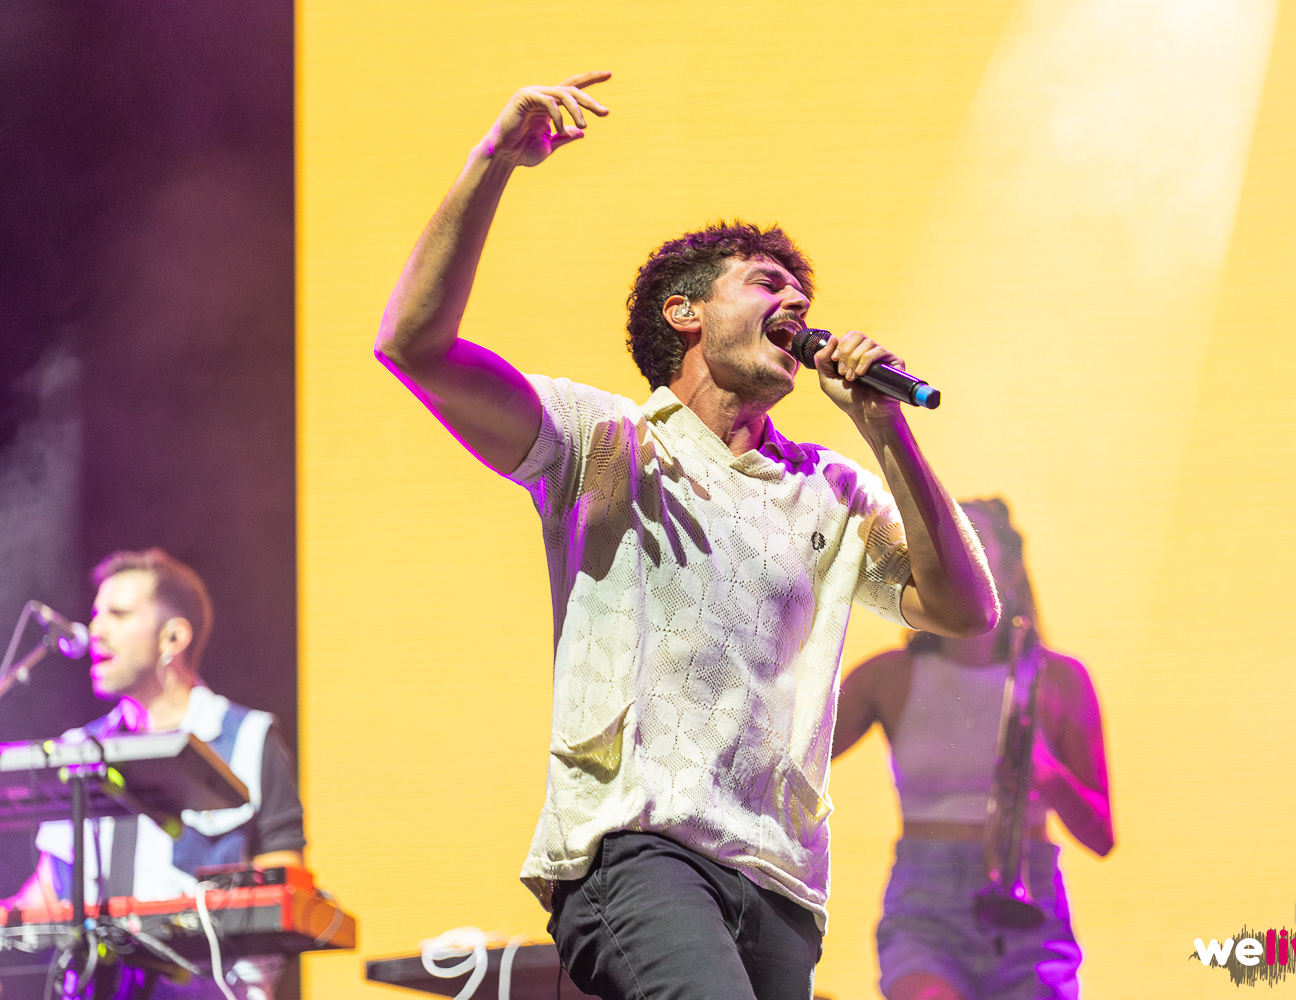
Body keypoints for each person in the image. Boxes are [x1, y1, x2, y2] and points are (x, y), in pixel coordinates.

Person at [374, 71, 998, 1000]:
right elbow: (414, 347)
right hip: (638, 850)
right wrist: (492, 161)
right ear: (686, 312)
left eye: (803, 294)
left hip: (779, 881)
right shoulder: (603, 440)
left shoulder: (829, 491)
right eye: (767, 284)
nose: (796, 304)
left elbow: (967, 611)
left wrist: (886, 428)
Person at [834, 498, 1113, 1000]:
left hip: (1033, 902)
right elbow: (793, 755)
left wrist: (1047, 775)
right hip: (926, 906)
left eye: (974, 543)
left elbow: (1101, 836)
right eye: (943, 546)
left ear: (1010, 570)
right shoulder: (887, 677)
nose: (957, 558)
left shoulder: (1060, 680)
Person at [3, 549, 305, 1000]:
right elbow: (50, 890)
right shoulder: (76, 751)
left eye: (118, 614)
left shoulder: (248, 738)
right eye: (96, 614)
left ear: (173, 637)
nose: (95, 630)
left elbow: (282, 879)